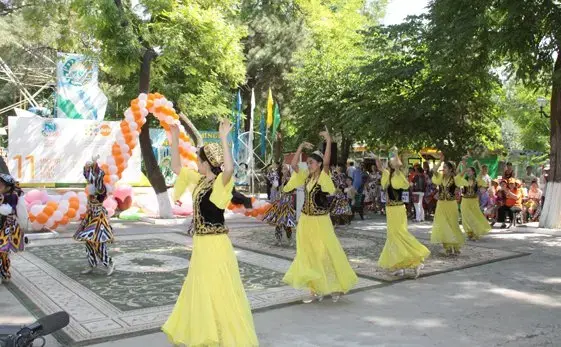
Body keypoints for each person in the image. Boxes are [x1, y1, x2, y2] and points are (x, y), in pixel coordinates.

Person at [163, 120, 258, 347]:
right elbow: (177, 168)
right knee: (201, 286)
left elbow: (229, 169)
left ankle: (222, 335)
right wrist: (175, 139)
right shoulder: (200, 181)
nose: (196, 162)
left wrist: (223, 138)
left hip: (216, 244)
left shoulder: (220, 184)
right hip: (201, 243)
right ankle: (207, 333)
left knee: (216, 286)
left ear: (206, 163)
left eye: (199, 159)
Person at [282, 128, 358, 303]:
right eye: (308, 163)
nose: (309, 166)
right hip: (306, 220)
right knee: (308, 253)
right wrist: (300, 147)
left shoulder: (324, 176)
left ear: (318, 164)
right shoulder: (305, 177)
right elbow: (293, 166)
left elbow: (326, 162)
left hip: (321, 220)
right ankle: (315, 288)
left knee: (326, 252)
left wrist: (329, 141)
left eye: (312, 163)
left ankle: (335, 286)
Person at [375, 155, 430, 278]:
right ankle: (400, 266)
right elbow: (379, 167)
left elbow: (403, 179)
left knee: (400, 235)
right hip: (390, 210)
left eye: (394, 162)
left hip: (398, 209)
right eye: (391, 162)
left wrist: (397, 163)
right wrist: (377, 157)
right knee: (393, 237)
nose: (392, 163)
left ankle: (416, 260)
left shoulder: (399, 175)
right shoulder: (387, 174)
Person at [73, 160, 115, 276]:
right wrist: (87, 167)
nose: (91, 179)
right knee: (88, 243)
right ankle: (92, 264)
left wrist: (94, 164)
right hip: (91, 218)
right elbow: (89, 177)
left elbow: (97, 176)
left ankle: (109, 264)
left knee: (99, 243)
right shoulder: (92, 191)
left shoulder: (101, 190)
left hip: (99, 221)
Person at [430, 153, 465, 256]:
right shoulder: (440, 177)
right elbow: (434, 171)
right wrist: (440, 161)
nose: (443, 168)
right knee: (443, 225)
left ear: (450, 169)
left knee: (452, 225)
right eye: (443, 167)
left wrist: (463, 163)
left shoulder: (455, 179)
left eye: (445, 167)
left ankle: (455, 245)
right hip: (441, 204)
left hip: (451, 204)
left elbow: (462, 173)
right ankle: (447, 247)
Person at [0, 173, 27, 283]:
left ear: (8, 186)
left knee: (2, 250)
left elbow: (8, 210)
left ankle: (4, 271)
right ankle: (4, 272)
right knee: (2, 252)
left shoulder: (13, 196)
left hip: (8, 229)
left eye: (1, 184)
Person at [457, 161, 492, 241]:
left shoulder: (477, 180)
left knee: (474, 217)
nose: (468, 172)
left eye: (469, 171)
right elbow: (458, 174)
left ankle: (475, 233)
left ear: (473, 172)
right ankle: (469, 233)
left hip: (473, 201)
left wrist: (478, 163)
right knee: (465, 218)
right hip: (465, 201)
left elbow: (481, 172)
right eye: (467, 171)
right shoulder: (464, 180)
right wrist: (461, 164)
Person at [263, 164, 297, 246]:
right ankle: (278, 240)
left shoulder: (290, 179)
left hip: (287, 204)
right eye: (282, 168)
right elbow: (273, 186)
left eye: (285, 169)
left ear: (288, 171)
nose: (283, 170)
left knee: (287, 224)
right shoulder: (278, 179)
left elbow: (293, 190)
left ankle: (290, 240)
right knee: (278, 223)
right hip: (278, 204)